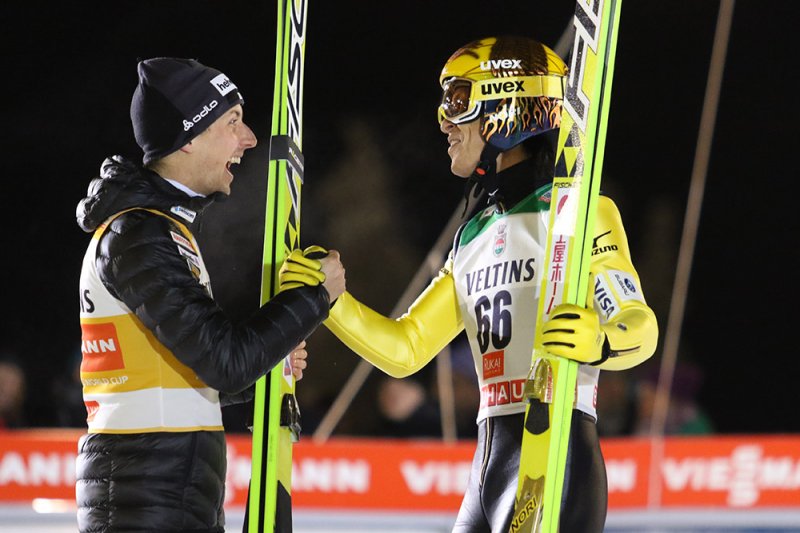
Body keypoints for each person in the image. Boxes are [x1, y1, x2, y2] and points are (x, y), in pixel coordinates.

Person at [283, 36, 658, 532]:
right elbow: (406, 348)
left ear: (508, 105)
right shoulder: (472, 235)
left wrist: (601, 341)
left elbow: (640, 326)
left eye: (459, 100)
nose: (444, 119)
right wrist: (328, 301)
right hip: (487, 465)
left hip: (556, 455)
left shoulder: (581, 213)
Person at [75, 57, 345, 533]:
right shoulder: (137, 236)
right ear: (188, 137)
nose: (249, 139)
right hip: (146, 504)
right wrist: (314, 297)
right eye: (232, 122)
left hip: (165, 495)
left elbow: (188, 376)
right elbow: (225, 361)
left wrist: (269, 362)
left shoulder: (162, 230)